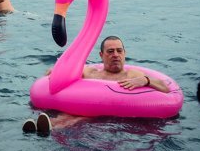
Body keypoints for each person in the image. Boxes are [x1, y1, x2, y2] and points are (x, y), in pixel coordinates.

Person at [23, 36, 169, 132]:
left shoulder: (132, 74)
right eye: (110, 51)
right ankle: (45, 127)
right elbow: (66, 73)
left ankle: (50, 126)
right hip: (86, 110)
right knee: (78, 115)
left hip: (107, 119)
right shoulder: (90, 72)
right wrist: (55, 70)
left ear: (124, 53)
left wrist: (146, 80)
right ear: (101, 55)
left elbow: (166, 88)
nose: (116, 55)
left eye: (119, 51)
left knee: (81, 116)